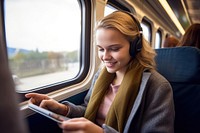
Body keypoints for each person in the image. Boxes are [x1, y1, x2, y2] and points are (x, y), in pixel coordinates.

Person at [25, 11, 175, 133]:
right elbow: (87, 110)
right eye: (101, 49)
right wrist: (62, 109)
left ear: (135, 46)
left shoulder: (157, 86)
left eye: (114, 49)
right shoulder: (102, 76)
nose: (105, 56)